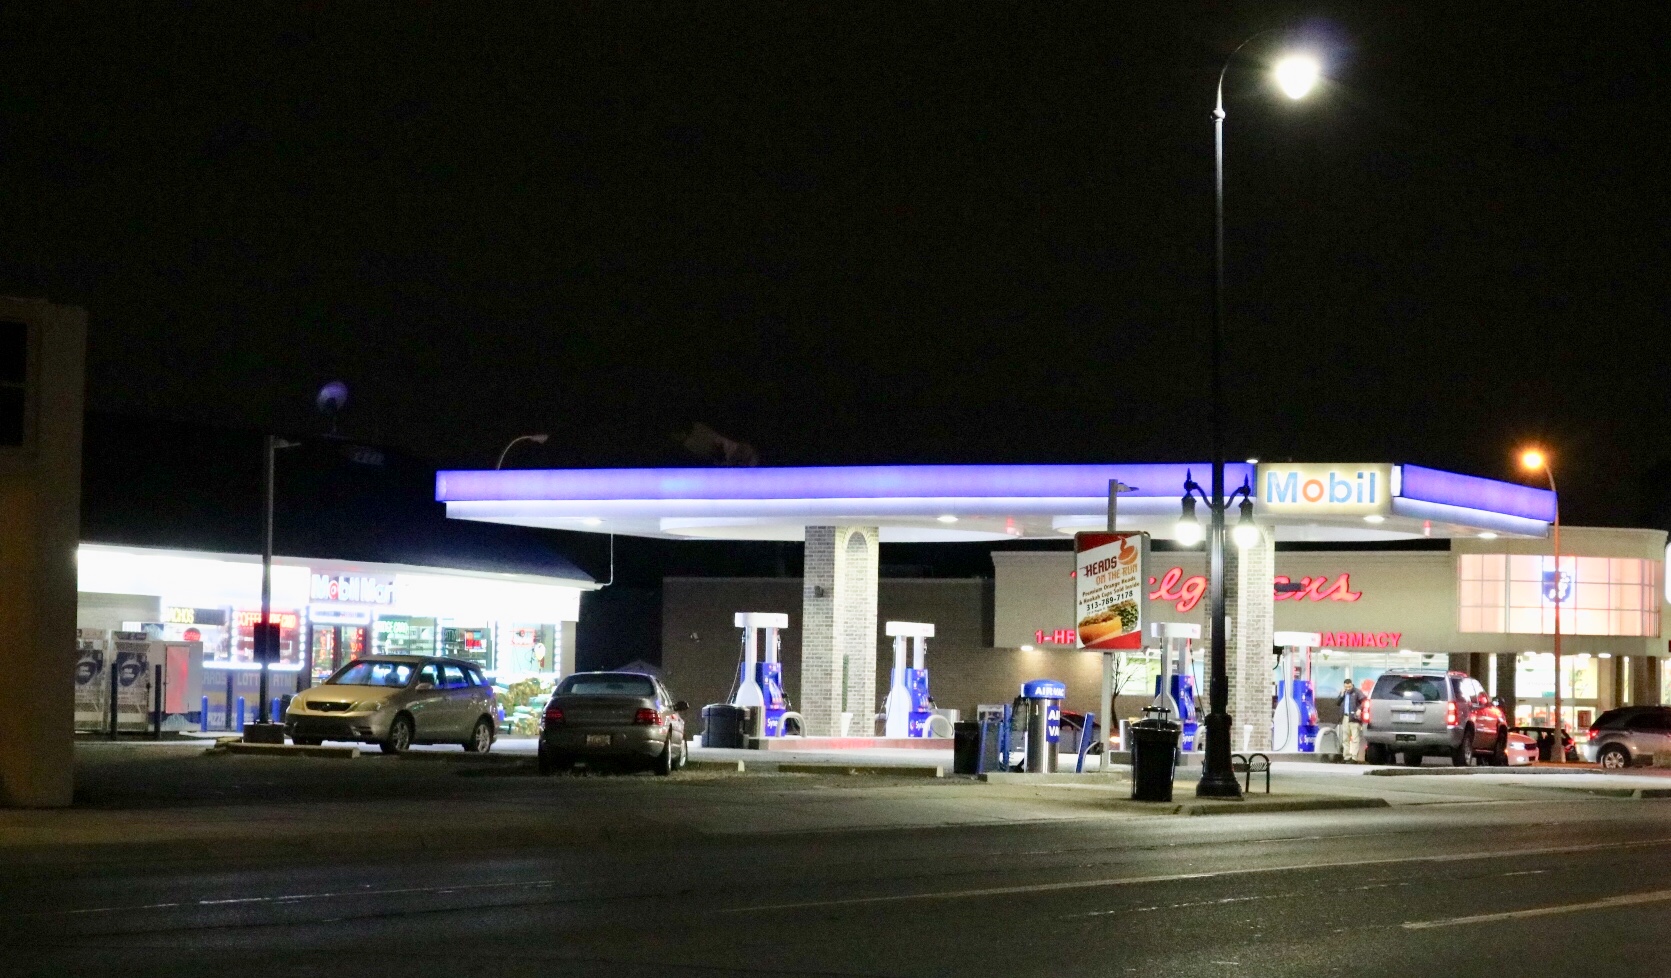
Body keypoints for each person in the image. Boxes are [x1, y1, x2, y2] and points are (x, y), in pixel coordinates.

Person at [1338, 679, 1366, 761]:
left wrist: (1359, 709)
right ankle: (1346, 756)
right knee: (1345, 738)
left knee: (1355, 738)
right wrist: (1341, 695)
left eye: (1349, 687)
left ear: (1352, 685)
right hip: (1345, 717)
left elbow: (1364, 701)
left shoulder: (1357, 692)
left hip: (1354, 717)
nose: (1348, 689)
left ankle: (1354, 757)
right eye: (1346, 687)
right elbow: (1337, 703)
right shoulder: (1344, 693)